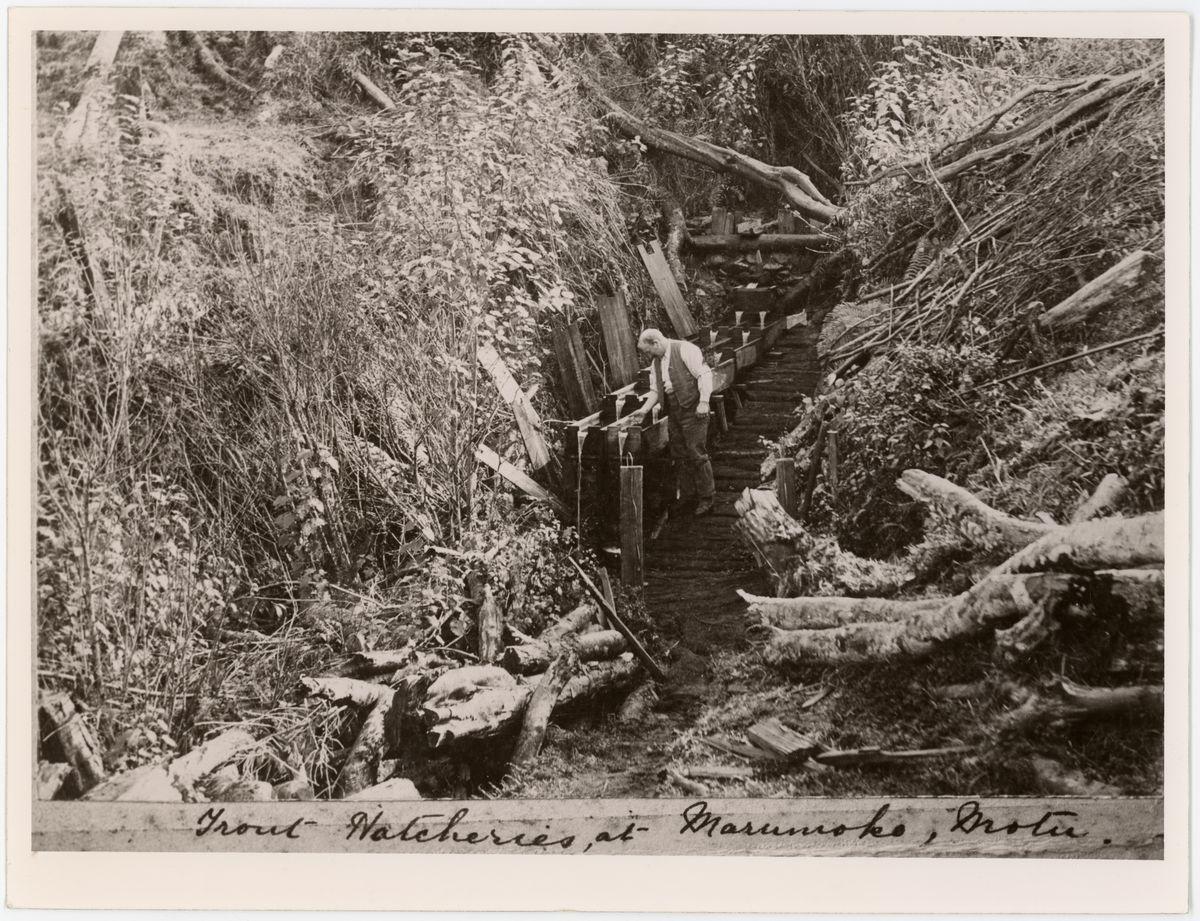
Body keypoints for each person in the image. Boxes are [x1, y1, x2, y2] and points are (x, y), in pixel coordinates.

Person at [634, 328, 715, 516]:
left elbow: (704, 374)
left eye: (648, 350)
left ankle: (707, 498)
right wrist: (643, 410)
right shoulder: (656, 363)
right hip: (674, 412)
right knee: (679, 453)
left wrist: (704, 402)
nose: (648, 355)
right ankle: (688, 495)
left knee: (696, 452)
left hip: (694, 409)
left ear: (656, 343)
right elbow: (656, 390)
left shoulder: (686, 349)